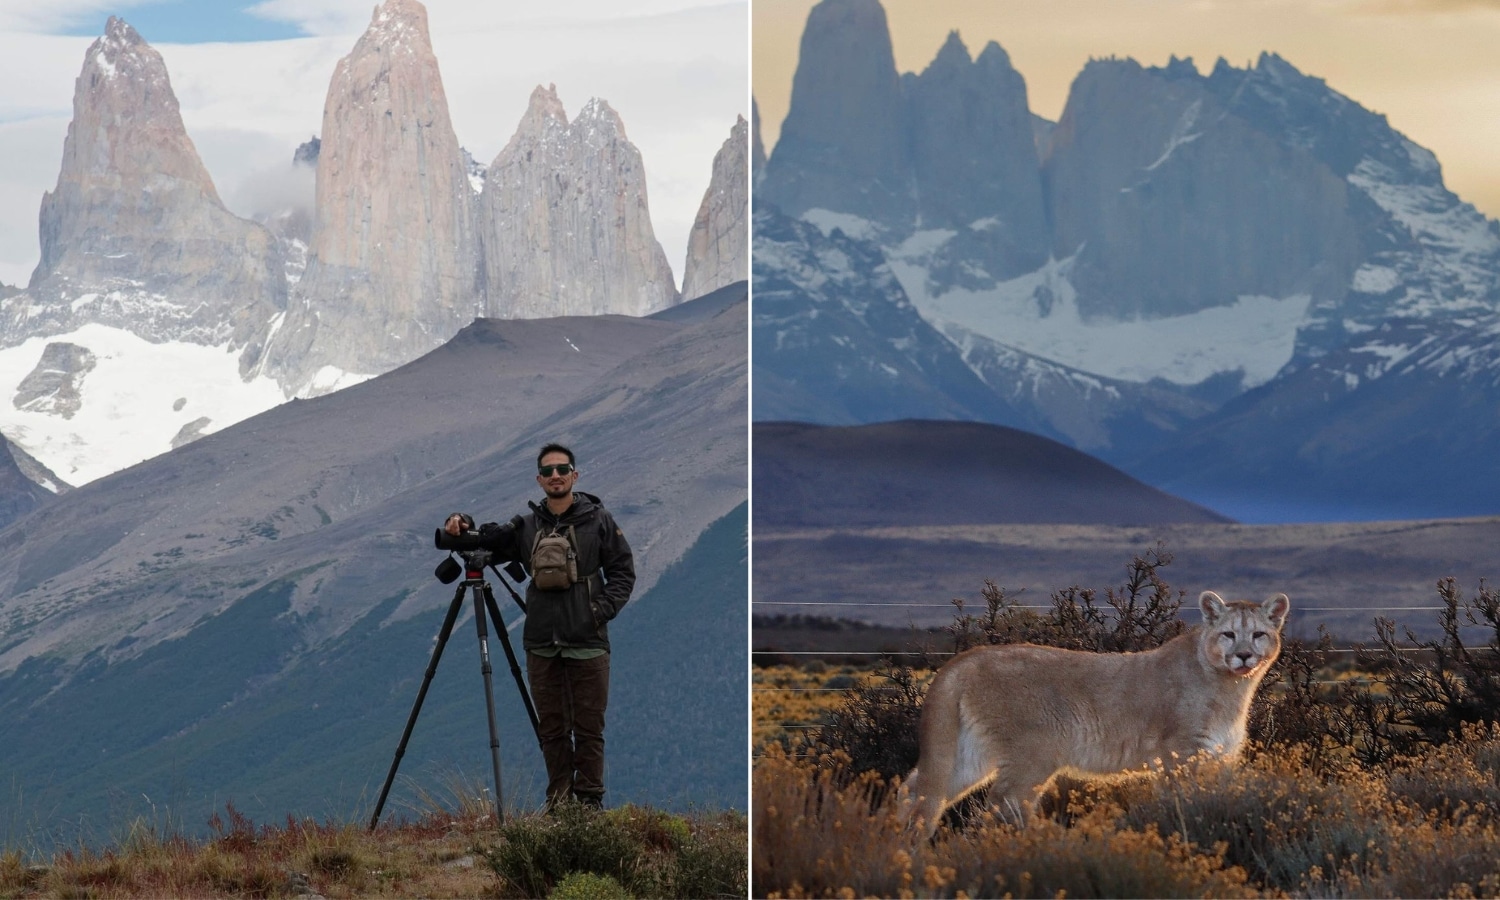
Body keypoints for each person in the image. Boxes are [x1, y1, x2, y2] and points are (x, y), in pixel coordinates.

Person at [442, 442, 635, 809]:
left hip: (589, 640)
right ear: (539, 480)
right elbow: (485, 540)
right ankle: (559, 802)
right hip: (542, 642)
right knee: (552, 728)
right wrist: (459, 521)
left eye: (562, 469)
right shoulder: (526, 526)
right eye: (548, 471)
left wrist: (599, 611)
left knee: (590, 728)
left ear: (574, 475)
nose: (556, 476)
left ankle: (590, 803)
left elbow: (623, 572)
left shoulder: (599, 520)